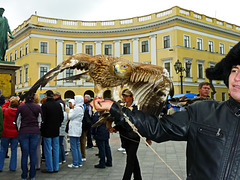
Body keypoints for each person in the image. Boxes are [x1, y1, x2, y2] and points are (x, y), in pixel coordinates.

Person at [93, 42, 240, 179]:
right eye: (234, 70)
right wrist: (114, 108)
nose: (237, 77)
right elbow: (158, 128)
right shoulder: (202, 111)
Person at [113, 89, 142, 179]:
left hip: (134, 138)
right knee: (133, 158)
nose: (124, 98)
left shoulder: (137, 108)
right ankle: (138, 178)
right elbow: (122, 122)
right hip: (125, 137)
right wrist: (115, 128)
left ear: (132, 97)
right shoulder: (123, 108)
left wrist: (148, 137)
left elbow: (142, 122)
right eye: (124, 96)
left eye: (126, 96)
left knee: (130, 160)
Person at [15, 94, 42, 180]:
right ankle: (32, 175)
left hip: (24, 131)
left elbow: (17, 120)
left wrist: (20, 129)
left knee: (24, 154)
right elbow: (40, 120)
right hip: (35, 131)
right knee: (33, 153)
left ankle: (24, 175)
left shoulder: (21, 107)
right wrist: (37, 129)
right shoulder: (38, 107)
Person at [41, 90, 63, 173]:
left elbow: (43, 118)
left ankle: (49, 167)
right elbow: (61, 117)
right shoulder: (58, 105)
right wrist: (58, 125)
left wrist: (42, 128)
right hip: (56, 129)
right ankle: (56, 167)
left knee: (48, 149)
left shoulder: (45, 105)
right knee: (56, 148)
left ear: (47, 96)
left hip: (47, 130)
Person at [0, 97, 20, 172]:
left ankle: (0, 166)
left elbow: (3, 107)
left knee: (2, 149)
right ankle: (13, 167)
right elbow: (23, 104)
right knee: (14, 150)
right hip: (15, 133)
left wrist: (8, 101)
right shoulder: (19, 112)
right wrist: (18, 100)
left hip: (5, 133)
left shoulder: (7, 111)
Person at [68, 95, 84, 168]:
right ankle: (79, 161)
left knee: (74, 147)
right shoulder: (81, 107)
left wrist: (71, 109)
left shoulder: (77, 108)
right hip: (77, 128)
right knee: (77, 146)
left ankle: (75, 163)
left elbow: (70, 117)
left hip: (74, 129)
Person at [80, 94, 93, 161]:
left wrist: (89, 120)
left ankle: (90, 144)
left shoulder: (88, 105)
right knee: (87, 135)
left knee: (87, 136)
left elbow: (90, 114)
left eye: (84, 98)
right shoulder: (87, 105)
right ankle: (89, 144)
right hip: (87, 123)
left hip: (86, 123)